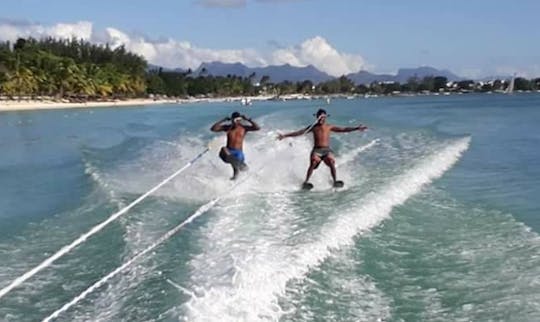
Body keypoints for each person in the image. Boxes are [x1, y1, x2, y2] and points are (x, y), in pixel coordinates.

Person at [277, 108, 367, 189]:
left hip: (326, 150)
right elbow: (300, 132)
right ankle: (306, 182)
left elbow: (343, 129)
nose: (321, 119)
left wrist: (356, 128)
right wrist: (285, 135)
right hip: (316, 151)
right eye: (319, 117)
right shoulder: (313, 127)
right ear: (316, 117)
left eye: (323, 117)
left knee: (331, 162)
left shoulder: (329, 127)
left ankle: (335, 181)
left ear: (325, 117)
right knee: (313, 163)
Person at [210, 111, 260, 180]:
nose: (236, 122)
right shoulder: (228, 128)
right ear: (232, 120)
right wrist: (223, 120)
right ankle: (239, 167)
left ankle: (238, 179)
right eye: (234, 120)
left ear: (240, 120)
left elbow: (257, 128)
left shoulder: (244, 128)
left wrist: (248, 120)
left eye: (238, 120)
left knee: (237, 173)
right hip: (229, 152)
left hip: (238, 153)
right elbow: (213, 129)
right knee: (223, 149)